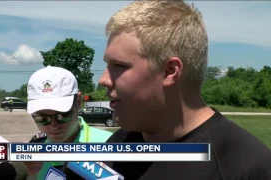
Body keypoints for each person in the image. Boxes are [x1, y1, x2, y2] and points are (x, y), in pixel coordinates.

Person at [98, 1, 271, 179]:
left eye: (118, 65)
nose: (103, 80)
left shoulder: (245, 167)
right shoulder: (117, 146)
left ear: (170, 71)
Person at [25, 66, 113, 180]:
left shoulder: (110, 144)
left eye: (62, 115)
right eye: (42, 118)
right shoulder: (34, 158)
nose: (53, 126)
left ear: (78, 102)